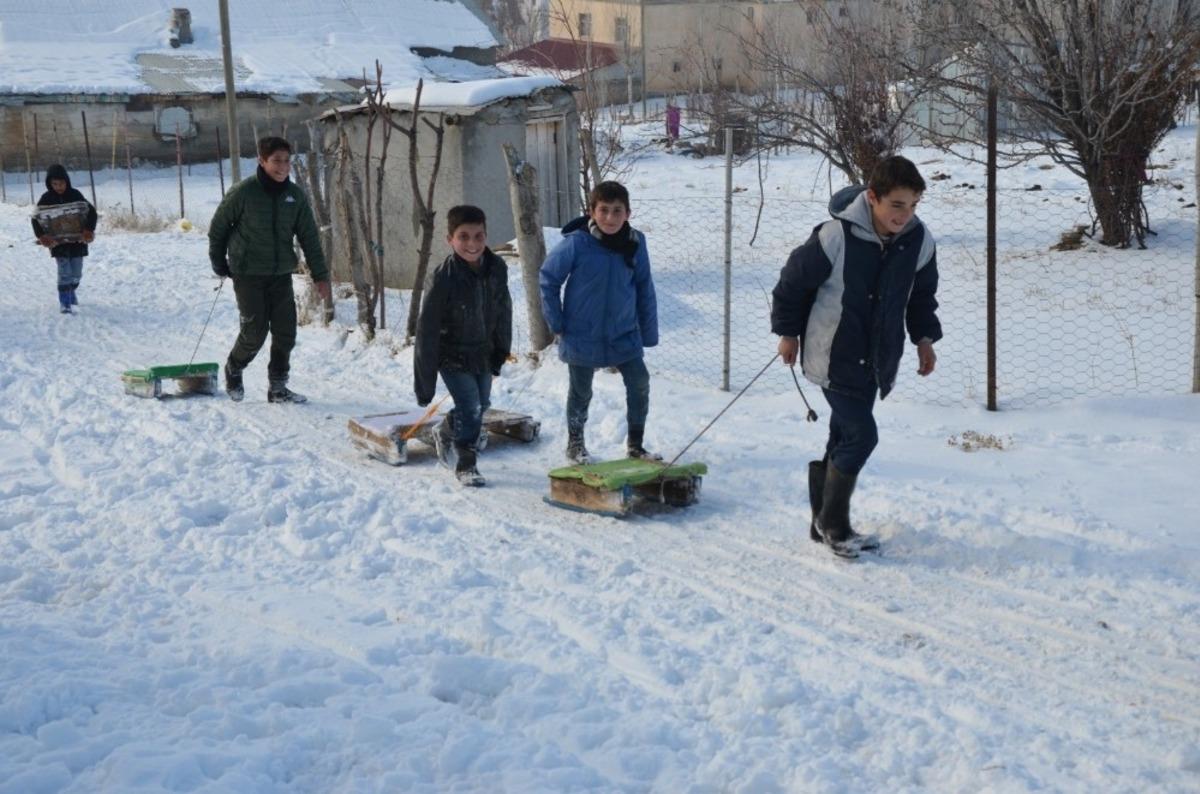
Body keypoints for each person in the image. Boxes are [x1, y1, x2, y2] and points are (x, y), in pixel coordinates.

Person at [771, 155, 942, 559]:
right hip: (833, 354)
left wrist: (924, 339)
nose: (905, 214)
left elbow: (921, 297)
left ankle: (820, 520)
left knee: (845, 435)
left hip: (878, 357)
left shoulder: (919, 241)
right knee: (863, 435)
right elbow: (792, 284)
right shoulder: (836, 236)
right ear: (873, 198)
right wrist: (787, 333)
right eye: (897, 204)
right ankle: (834, 524)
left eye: (914, 205)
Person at [540, 180, 659, 465]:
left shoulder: (636, 243)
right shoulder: (577, 244)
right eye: (603, 210)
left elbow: (644, 286)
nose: (610, 218)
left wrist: (649, 332)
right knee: (581, 391)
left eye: (617, 211)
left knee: (639, 382)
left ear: (628, 213)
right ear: (591, 212)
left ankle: (635, 444)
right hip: (582, 333)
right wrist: (556, 321)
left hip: (624, 332)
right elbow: (548, 279)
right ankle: (575, 443)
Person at [208, 136, 331, 403]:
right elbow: (218, 227)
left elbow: (309, 237)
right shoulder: (244, 192)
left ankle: (278, 387)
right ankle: (234, 367)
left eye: (287, 161)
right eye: (276, 160)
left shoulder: (294, 196)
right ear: (262, 161)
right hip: (247, 272)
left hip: (280, 274)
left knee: (286, 332)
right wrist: (219, 261)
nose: (283, 166)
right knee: (254, 332)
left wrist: (320, 275)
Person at [414, 205, 512, 487]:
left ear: (486, 236)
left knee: (481, 405)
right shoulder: (443, 277)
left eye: (478, 236)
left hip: (481, 352)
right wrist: (425, 383)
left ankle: (445, 430)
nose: (472, 244)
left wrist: (501, 349)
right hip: (451, 355)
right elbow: (427, 329)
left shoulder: (497, 268)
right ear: (450, 240)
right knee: (470, 406)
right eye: (464, 237)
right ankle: (466, 463)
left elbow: (504, 309)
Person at [32, 164, 98, 314]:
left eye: (61, 183)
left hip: (77, 242)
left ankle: (71, 290)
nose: (58, 187)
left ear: (67, 181)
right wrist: (41, 236)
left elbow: (91, 213)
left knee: (76, 273)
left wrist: (89, 230)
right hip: (58, 244)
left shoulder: (75, 195)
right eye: (54, 184)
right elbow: (36, 219)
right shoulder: (46, 198)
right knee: (64, 272)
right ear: (50, 184)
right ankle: (65, 302)